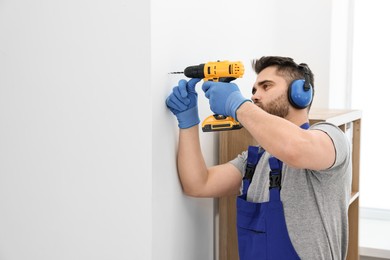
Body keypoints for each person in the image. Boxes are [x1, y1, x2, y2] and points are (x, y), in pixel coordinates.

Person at [165, 56, 351, 260]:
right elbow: (199, 183)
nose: (255, 96)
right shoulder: (255, 161)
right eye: (253, 90)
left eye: (266, 86)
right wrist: (188, 122)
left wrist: (237, 105)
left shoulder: (331, 138)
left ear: (300, 93)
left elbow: (296, 148)